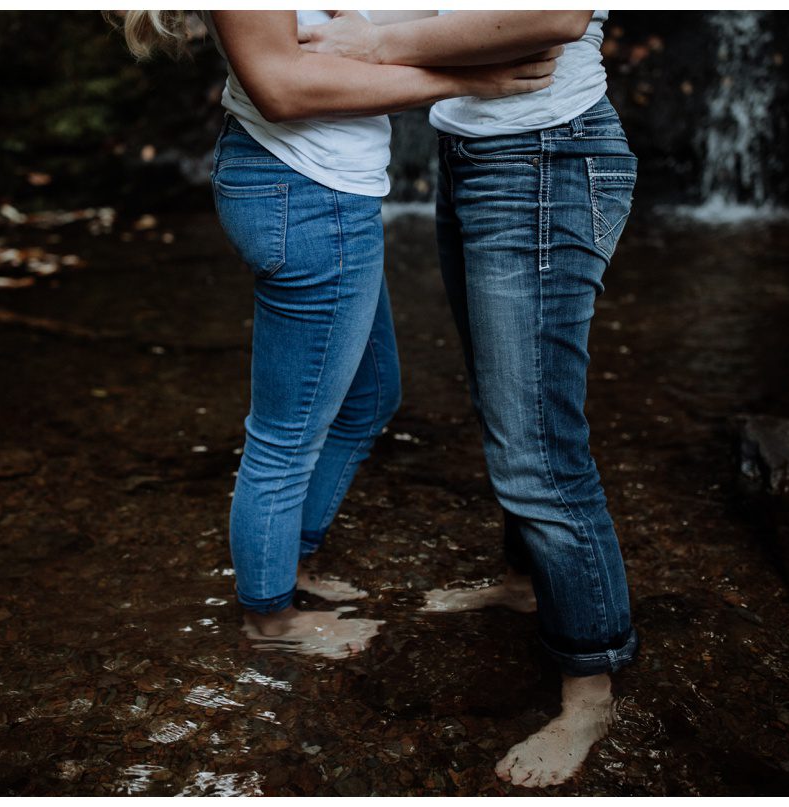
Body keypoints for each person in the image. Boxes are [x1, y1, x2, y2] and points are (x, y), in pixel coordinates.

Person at [106, 11, 558, 660]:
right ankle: (270, 620)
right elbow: (282, 90)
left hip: (320, 191)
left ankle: (287, 563)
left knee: (369, 397)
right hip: (307, 195)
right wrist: (466, 80)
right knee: (286, 433)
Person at [300, 10, 640, 788]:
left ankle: (590, 692)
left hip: (545, 154)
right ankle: (524, 584)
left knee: (538, 445)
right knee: (509, 406)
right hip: (478, 153)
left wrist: (374, 42)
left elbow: (551, 18)